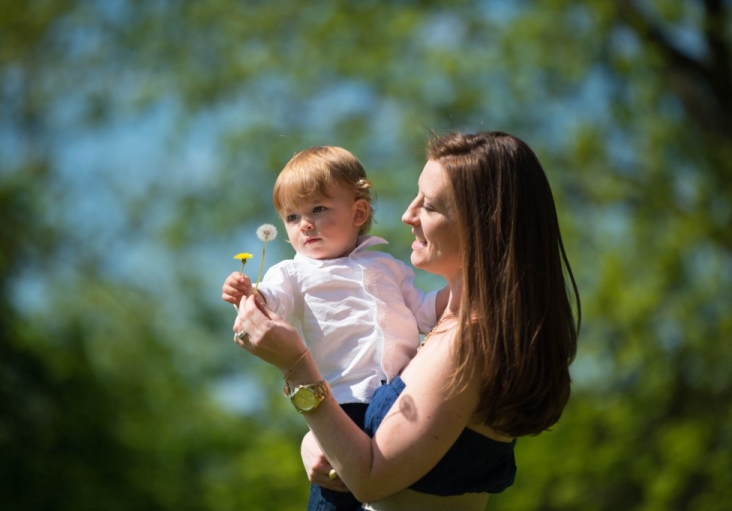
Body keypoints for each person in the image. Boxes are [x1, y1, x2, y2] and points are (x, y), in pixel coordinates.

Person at [231, 131, 580, 510]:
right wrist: (318, 439)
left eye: (428, 206)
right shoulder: (446, 328)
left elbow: (371, 479)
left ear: (481, 224)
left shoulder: (470, 341)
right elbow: (381, 440)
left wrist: (297, 366)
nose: (407, 215)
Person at [222, 146, 448, 511]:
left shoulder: (388, 265)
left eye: (318, 210)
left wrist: (461, 289)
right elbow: (270, 303)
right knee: (334, 497)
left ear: (358, 212)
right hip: (341, 406)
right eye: (292, 217)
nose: (305, 224)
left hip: (402, 399)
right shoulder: (293, 272)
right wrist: (249, 294)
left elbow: (424, 313)